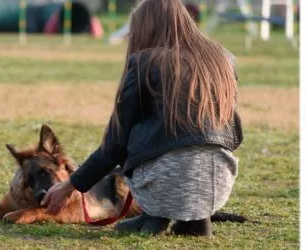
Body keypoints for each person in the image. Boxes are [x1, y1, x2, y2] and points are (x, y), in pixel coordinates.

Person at [41, 0, 243, 237]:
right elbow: (233, 132)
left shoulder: (144, 63)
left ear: (145, 28)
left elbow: (114, 146)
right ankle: (196, 220)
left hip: (163, 183)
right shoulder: (224, 59)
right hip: (219, 182)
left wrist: (69, 186)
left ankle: (156, 215)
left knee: (139, 134)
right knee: (179, 137)